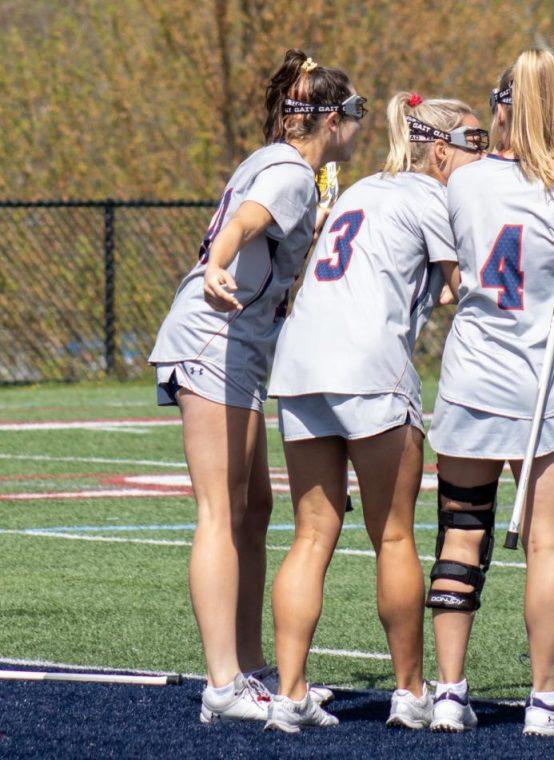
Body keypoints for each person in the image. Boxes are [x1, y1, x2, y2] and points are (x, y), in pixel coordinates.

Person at [147, 49, 362, 724]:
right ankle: (222, 683)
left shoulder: (286, 165)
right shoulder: (291, 173)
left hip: (239, 347)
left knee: (255, 509)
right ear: (330, 119)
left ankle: (250, 669)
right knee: (220, 509)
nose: (357, 127)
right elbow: (245, 225)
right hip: (215, 339)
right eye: (353, 115)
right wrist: (215, 265)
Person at [261, 91, 484, 732]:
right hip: (367, 367)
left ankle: (290, 693)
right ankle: (411, 692)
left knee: (310, 536)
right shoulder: (433, 198)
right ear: (438, 149)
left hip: (301, 363)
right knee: (392, 535)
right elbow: (455, 285)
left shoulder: (361, 190)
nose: (484, 155)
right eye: (474, 144)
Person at [424, 49, 554, 736]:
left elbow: (448, 275)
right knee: (546, 546)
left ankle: (448, 693)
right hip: (545, 387)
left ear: (500, 106)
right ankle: (543, 701)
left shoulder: (465, 180)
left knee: (461, 533)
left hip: (472, 378)